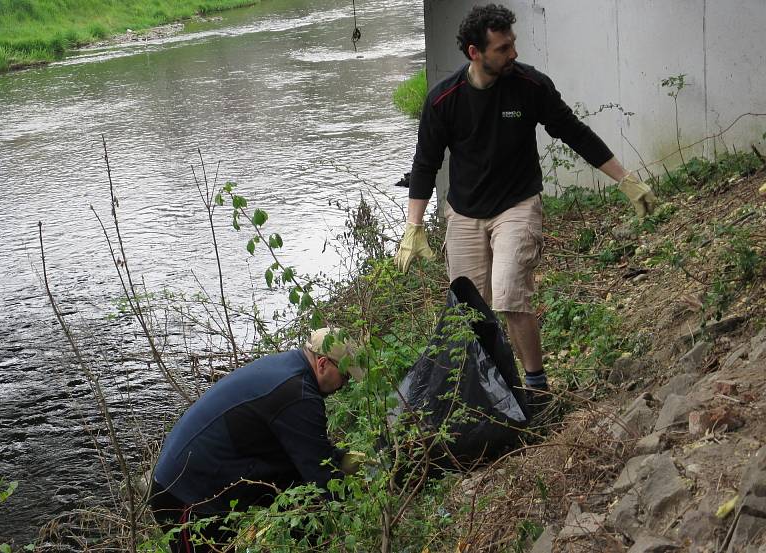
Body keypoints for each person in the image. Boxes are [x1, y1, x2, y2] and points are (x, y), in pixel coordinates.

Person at [395, 3, 656, 410]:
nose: (513, 54)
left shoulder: (529, 87)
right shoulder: (443, 99)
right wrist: (413, 227)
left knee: (510, 292)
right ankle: (490, 391)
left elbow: (575, 132)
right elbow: (425, 163)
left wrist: (624, 179)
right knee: (467, 310)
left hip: (516, 204)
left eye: (512, 44)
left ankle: (537, 392)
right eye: (502, 48)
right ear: (474, 52)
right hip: (465, 212)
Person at [148, 327, 365, 552]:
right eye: (345, 376)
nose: (344, 385)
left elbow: (308, 452)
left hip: (211, 479)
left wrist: (345, 460)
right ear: (322, 364)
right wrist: (360, 516)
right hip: (185, 493)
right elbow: (322, 477)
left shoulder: (290, 370)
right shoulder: (297, 394)